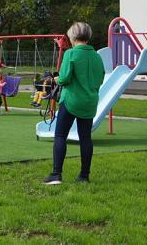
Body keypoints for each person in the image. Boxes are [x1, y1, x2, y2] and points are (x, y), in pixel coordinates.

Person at [45, 22, 105, 185]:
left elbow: (64, 79)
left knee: (60, 135)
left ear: (73, 36)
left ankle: (56, 174)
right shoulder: (97, 56)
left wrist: (57, 79)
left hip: (71, 100)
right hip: (89, 101)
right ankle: (84, 176)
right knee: (86, 138)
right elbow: (100, 78)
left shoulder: (70, 54)